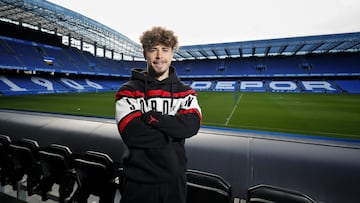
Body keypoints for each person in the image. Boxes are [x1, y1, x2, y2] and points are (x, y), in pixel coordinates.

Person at [115, 26, 202, 203]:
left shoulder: (186, 92)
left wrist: (153, 118)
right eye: (153, 49)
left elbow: (192, 125)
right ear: (144, 53)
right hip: (137, 182)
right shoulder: (129, 91)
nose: (159, 56)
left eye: (165, 50)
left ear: (172, 54)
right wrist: (175, 134)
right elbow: (132, 134)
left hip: (174, 182)